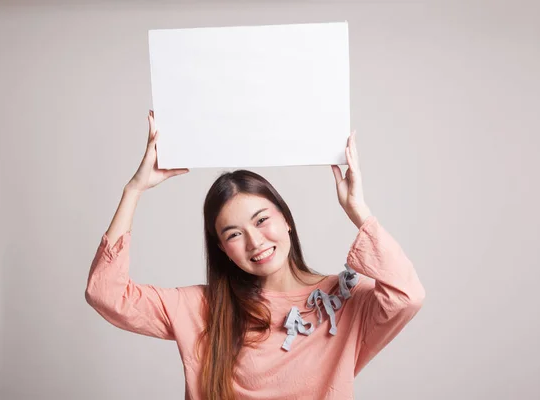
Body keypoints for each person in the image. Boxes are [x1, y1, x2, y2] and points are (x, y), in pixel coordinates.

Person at [85, 110, 426, 400]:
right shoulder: (203, 308)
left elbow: (407, 297)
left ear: (286, 219)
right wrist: (133, 190)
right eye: (233, 234)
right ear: (222, 248)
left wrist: (358, 211)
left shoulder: (343, 302)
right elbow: (106, 294)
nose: (254, 241)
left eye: (262, 220)